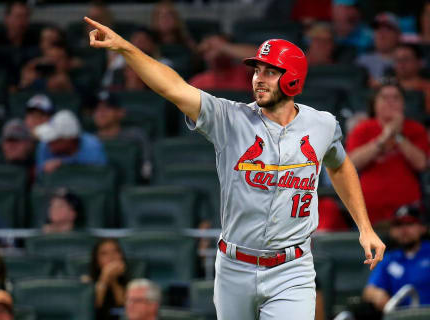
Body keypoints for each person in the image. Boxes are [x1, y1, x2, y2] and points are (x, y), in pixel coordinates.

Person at [84, 17, 385, 320]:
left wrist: (365, 227)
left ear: (292, 78)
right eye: (256, 70)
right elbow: (173, 87)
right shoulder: (229, 119)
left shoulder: (321, 124)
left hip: (292, 268)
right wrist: (124, 48)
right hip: (235, 266)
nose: (258, 78)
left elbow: (340, 164)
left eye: (269, 71)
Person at [346, 81, 429, 226]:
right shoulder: (362, 129)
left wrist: (397, 136)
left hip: (407, 210)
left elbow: (421, 164)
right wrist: (383, 138)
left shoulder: (415, 129)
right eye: (385, 98)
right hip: (368, 209)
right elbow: (352, 163)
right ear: (375, 103)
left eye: (396, 98)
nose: (390, 102)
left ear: (403, 103)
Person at [362, 204, 430, 317]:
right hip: (401, 316)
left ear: (422, 228)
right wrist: (376, 294)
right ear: (392, 231)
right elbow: (369, 290)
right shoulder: (389, 258)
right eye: (398, 225)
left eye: (409, 224)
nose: (403, 230)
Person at [93, 91, 152, 178]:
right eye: (97, 108)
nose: (101, 112)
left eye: (107, 107)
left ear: (121, 112)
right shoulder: (87, 141)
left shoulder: (136, 136)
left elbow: (147, 168)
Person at [34, 110, 106, 174]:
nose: (49, 143)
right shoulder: (44, 145)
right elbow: (39, 178)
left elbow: (98, 178)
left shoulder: (92, 146)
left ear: (69, 139)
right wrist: (44, 169)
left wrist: (63, 164)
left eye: (55, 140)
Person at [83, 238, 129, 320]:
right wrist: (104, 279)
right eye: (104, 253)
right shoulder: (86, 282)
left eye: (115, 251)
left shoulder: (133, 282)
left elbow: (126, 310)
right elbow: (89, 311)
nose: (111, 257)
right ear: (96, 261)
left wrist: (114, 282)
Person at [357, 12, 401, 87]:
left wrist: (380, 82)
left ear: (398, 34)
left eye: (388, 29)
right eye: (377, 28)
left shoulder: (406, 58)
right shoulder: (362, 60)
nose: (381, 33)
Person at [393, 43, 430, 113]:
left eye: (406, 59)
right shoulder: (386, 87)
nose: (401, 63)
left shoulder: (428, 88)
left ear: (419, 62)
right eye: (397, 60)